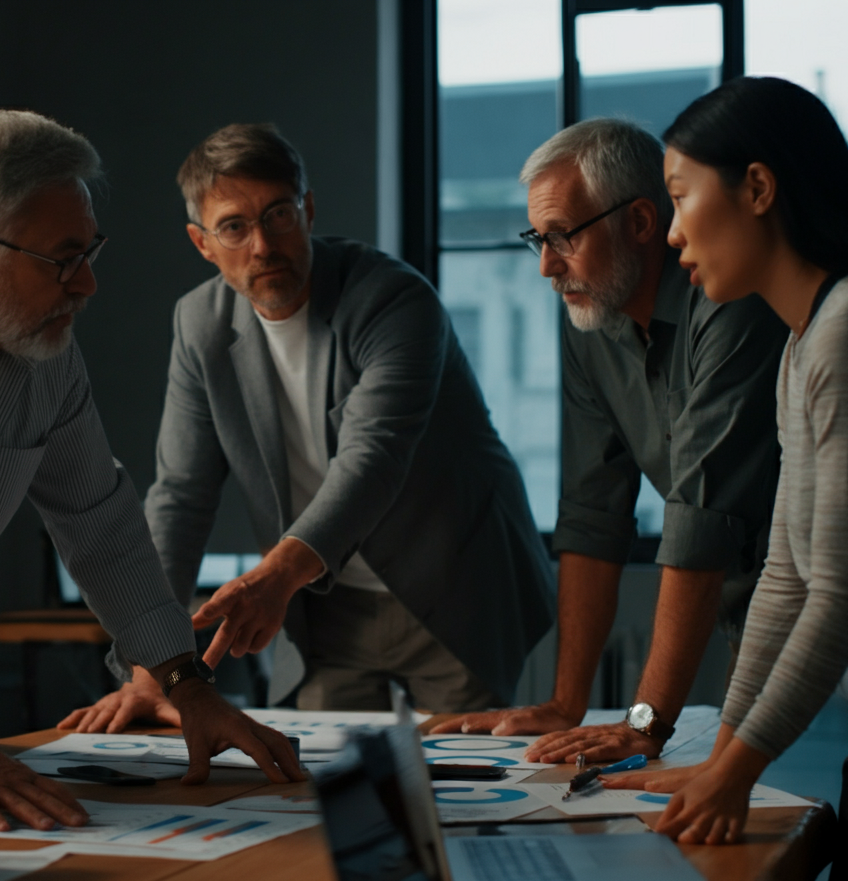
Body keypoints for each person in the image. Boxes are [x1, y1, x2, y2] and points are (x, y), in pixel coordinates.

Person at [0, 110, 302, 834]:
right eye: (63, 259)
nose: (87, 286)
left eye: (90, 252)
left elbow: (101, 525)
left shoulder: (42, 355)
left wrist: (185, 682)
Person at [60, 122, 554, 726]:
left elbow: (372, 458)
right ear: (202, 244)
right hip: (324, 601)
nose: (262, 246)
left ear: (309, 210)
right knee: (323, 788)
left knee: (471, 787)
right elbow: (181, 496)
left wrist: (271, 577)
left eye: (278, 215)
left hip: (452, 583)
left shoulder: (394, 299)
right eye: (234, 227)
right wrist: (150, 669)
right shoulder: (200, 325)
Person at [588, 78, 847, 881]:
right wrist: (723, 753)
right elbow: (784, 575)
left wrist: (733, 768)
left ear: (761, 189)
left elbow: (839, 597)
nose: (670, 232)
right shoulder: (801, 342)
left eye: (683, 193)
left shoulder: (843, 333)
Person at [435, 119, 788, 762]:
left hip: (815, 599)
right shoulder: (588, 315)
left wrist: (645, 722)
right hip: (759, 619)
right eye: (538, 240)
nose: (546, 266)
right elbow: (593, 511)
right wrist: (565, 702)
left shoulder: (730, 298)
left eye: (563, 237)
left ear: (643, 222)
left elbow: (699, 517)